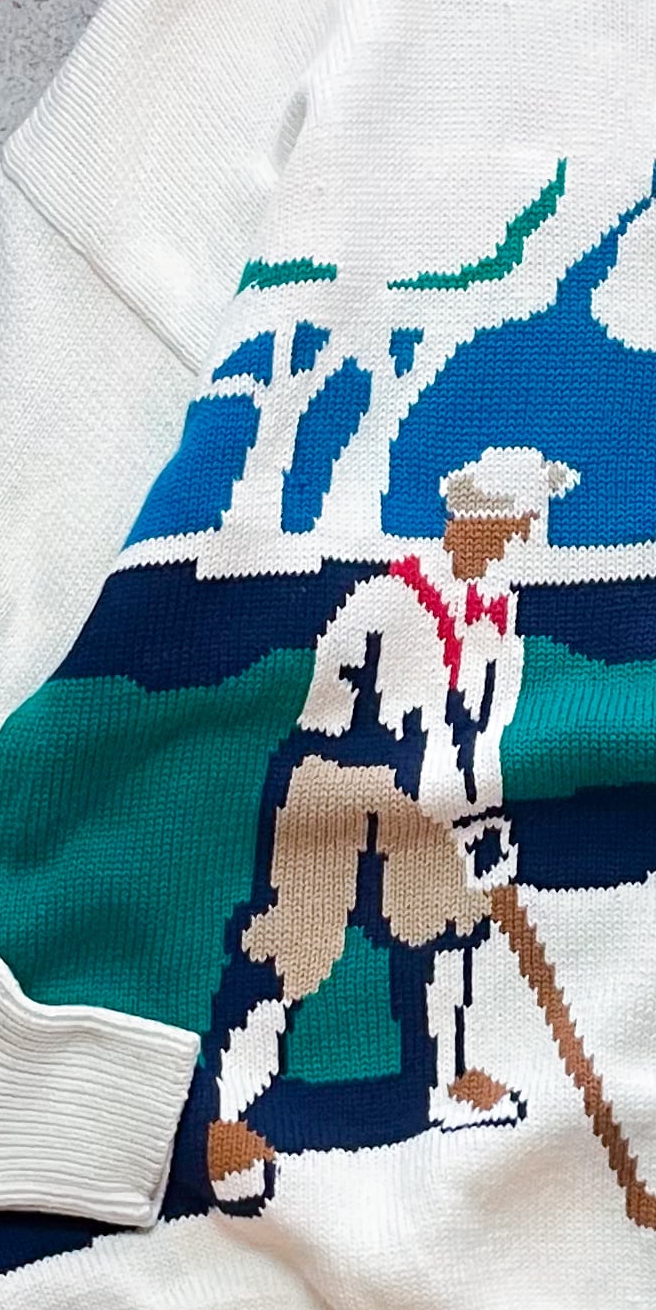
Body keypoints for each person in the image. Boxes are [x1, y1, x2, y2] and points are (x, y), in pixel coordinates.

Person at [202, 446, 576, 1211]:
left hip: (437, 791)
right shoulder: (384, 599)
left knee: (450, 926)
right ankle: (229, 1113)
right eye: (521, 523)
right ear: (479, 522)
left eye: (532, 524)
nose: (529, 538)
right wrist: (393, 764)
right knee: (296, 941)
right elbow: (332, 709)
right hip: (338, 778)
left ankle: (449, 1079)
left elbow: (484, 730)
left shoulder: (500, 622)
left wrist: (482, 815)